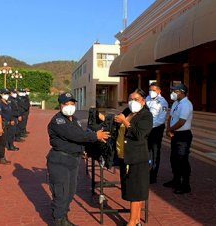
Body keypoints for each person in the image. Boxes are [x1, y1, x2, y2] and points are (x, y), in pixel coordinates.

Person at [47, 92, 110, 226]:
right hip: (60, 161)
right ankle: (59, 220)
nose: (69, 106)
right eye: (66, 104)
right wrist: (95, 136)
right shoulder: (58, 121)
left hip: (72, 161)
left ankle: (63, 218)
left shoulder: (74, 119)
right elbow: (76, 135)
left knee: (70, 192)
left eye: (72, 104)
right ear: (60, 105)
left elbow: (83, 133)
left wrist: (83, 149)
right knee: (61, 193)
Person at [113, 88, 153, 226]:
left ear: (143, 101)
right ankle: (135, 220)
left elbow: (139, 134)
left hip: (137, 157)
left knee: (136, 190)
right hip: (125, 156)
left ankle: (132, 221)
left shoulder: (146, 115)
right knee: (133, 189)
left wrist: (124, 122)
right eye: (130, 99)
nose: (132, 102)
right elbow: (118, 121)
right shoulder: (127, 112)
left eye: (136, 99)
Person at [164, 83, 193, 194]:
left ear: (182, 92)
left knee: (182, 159)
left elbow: (182, 121)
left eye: (175, 91)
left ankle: (185, 184)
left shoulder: (186, 104)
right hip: (175, 134)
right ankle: (175, 180)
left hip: (183, 135)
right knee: (174, 158)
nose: (173, 93)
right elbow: (170, 117)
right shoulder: (176, 103)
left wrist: (169, 130)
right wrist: (169, 129)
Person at [145, 82, 168, 184]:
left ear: (159, 91)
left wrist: (150, 127)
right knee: (145, 151)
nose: (151, 92)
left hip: (156, 129)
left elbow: (161, 119)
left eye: (154, 90)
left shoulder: (163, 102)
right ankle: (144, 172)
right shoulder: (147, 99)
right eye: (150, 90)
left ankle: (153, 175)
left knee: (155, 152)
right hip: (146, 129)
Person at [0, 88, 14, 165]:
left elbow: (10, 112)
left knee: (5, 141)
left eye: (7, 93)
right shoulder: (0, 104)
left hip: (8, 124)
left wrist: (11, 120)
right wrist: (0, 127)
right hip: (2, 125)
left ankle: (3, 156)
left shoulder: (7, 103)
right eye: (5, 93)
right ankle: (2, 158)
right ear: (1, 95)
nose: (7, 95)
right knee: (2, 142)